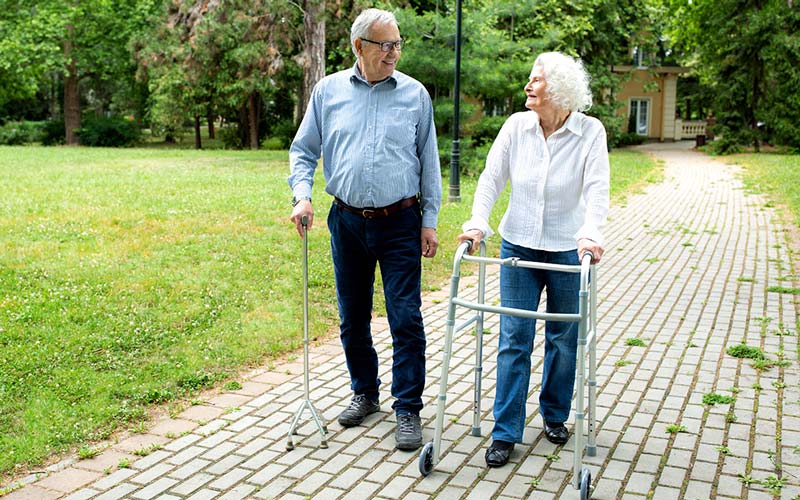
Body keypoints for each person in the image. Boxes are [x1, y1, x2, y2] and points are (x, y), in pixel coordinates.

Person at [287, 8, 442, 451]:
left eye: (397, 44)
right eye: (385, 45)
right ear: (359, 46)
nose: (394, 53)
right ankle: (365, 393)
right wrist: (302, 195)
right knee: (352, 317)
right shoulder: (328, 91)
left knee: (405, 317)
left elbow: (429, 162)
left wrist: (429, 221)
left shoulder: (415, 95)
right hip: (347, 221)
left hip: (401, 222)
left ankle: (407, 408)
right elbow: (303, 151)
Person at [457, 51, 609, 467]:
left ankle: (555, 414)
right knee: (514, 338)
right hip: (519, 246)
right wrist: (478, 223)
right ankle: (505, 431)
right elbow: (491, 179)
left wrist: (591, 234)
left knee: (563, 338)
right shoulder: (516, 127)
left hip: (567, 248)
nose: (528, 85)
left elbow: (597, 189)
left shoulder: (590, 132)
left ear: (558, 89)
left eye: (536, 80)